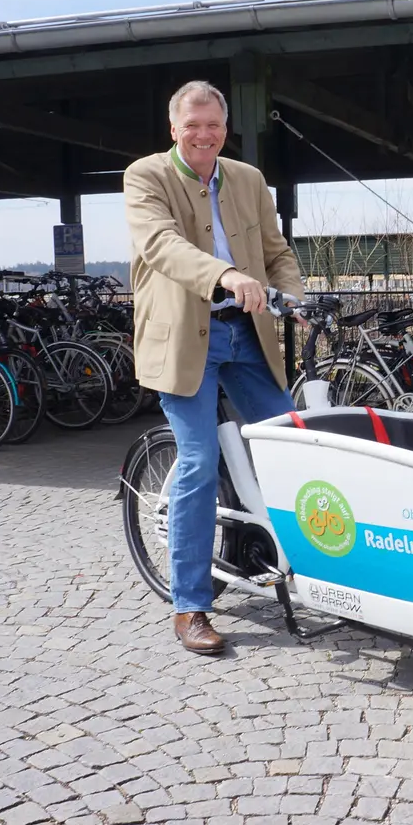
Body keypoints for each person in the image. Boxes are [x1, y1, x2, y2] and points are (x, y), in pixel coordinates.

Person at [124, 80, 304, 655]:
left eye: (214, 125)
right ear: (173, 128)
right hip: (184, 337)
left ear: (226, 129)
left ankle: (306, 564)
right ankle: (191, 606)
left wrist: (293, 295)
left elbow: (276, 252)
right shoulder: (146, 176)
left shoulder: (248, 180)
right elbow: (161, 245)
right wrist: (225, 275)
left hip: (246, 333)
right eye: (193, 125)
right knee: (199, 461)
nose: (204, 135)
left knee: (293, 444)